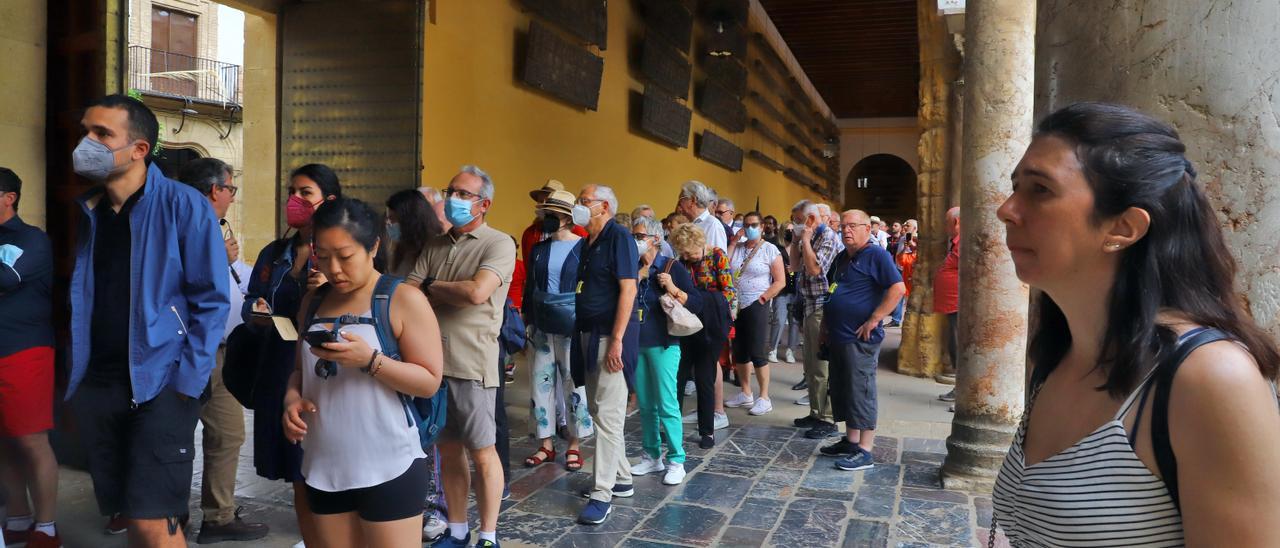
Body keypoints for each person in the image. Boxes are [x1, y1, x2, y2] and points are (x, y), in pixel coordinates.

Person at [990, 102, 1280, 546]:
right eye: (1015, 187)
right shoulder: (1057, 355)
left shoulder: (1210, 380)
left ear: (1123, 228)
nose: (1006, 210)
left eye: (1040, 190)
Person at [67, 94, 230, 548]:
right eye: (86, 131)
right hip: (100, 384)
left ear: (138, 149)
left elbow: (213, 300)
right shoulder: (91, 211)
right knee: (129, 519)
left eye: (102, 134)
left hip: (161, 383)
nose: (87, 142)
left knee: (155, 525)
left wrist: (187, 382)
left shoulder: (184, 205)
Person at [282, 197, 444, 547]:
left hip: (390, 464)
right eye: (323, 257)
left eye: (345, 256)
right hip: (325, 463)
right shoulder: (313, 301)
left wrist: (370, 361)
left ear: (373, 246)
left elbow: (429, 381)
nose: (334, 269)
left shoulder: (401, 299)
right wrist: (292, 397)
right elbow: (299, 370)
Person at [406, 165, 514, 548]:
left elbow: (476, 293)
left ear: (484, 204)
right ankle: (456, 529)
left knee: (483, 453)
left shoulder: (498, 243)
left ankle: (488, 535)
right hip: (432, 364)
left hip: (473, 364)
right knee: (448, 452)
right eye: (452, 191)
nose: (454, 199)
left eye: (464, 194)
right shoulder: (435, 245)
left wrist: (433, 287)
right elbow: (409, 292)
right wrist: (441, 289)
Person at [243, 163, 341, 546]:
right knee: (295, 464)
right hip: (279, 364)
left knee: (320, 457)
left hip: (323, 369)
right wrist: (257, 311)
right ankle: (310, 536)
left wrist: (330, 287)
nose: (294, 200)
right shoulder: (276, 252)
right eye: (291, 192)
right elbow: (252, 298)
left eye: (305, 193)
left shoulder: (338, 252)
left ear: (328, 201)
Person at [174, 157, 269, 543]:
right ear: (216, 190)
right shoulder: (181, 223)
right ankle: (169, 515)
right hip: (188, 348)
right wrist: (218, 258)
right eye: (231, 189)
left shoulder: (213, 227)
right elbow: (175, 280)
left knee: (228, 435)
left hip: (222, 352)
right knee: (177, 436)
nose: (232, 197)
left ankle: (218, 517)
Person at [382, 188, 449, 541]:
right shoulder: (397, 251)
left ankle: (438, 507)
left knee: (431, 431)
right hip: (397, 349)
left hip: (424, 349)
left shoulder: (431, 250)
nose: (388, 225)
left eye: (393, 219)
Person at [571, 184, 639, 526]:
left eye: (585, 202)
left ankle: (602, 494)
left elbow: (629, 288)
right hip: (587, 333)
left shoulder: (620, 238)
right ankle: (621, 477)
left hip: (609, 339)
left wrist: (617, 340)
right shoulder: (587, 243)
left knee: (609, 417)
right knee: (599, 410)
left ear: (605, 207)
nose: (579, 207)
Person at [818, 210, 905, 471]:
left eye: (853, 226)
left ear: (868, 229)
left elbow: (898, 289)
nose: (846, 230)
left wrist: (875, 318)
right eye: (843, 226)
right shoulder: (843, 257)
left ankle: (865, 450)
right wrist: (825, 326)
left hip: (860, 338)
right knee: (843, 389)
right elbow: (831, 292)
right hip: (838, 335)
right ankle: (851, 440)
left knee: (861, 390)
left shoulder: (876, 254)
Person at [0, 168, 60, 548]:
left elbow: (6, 279)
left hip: (24, 350)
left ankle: (47, 526)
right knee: (3, 440)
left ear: (9, 197)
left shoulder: (32, 239)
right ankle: (19, 518)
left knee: (30, 439)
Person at [521, 190, 593, 472]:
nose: (546, 218)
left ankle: (574, 444)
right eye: (545, 213)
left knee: (573, 383)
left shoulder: (584, 247)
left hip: (572, 324)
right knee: (540, 383)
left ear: (566, 218)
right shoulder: (539, 248)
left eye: (552, 214)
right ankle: (545, 444)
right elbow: (530, 286)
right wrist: (527, 318)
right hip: (541, 322)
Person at [628, 217, 699, 486]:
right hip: (638, 342)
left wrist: (672, 287)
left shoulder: (672, 267)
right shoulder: (633, 267)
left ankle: (677, 459)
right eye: (634, 235)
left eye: (640, 236)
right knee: (645, 405)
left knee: (667, 404)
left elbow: (697, 302)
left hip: (665, 344)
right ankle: (651, 455)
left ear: (655, 239)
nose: (635, 240)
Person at [670, 224, 735, 449]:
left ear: (700, 242)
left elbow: (729, 293)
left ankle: (707, 431)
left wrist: (696, 298)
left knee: (705, 378)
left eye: (691, 251)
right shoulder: (681, 262)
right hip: (686, 324)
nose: (689, 257)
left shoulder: (717, 256)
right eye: (684, 253)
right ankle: (672, 425)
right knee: (679, 376)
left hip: (712, 325)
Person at [724, 212, 785, 416]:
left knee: (758, 350)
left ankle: (764, 397)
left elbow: (780, 281)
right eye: (746, 224)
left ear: (761, 227)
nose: (749, 228)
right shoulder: (739, 248)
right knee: (739, 350)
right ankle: (745, 392)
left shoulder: (769, 249)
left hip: (757, 303)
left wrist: (763, 298)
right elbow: (724, 264)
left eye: (754, 224)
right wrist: (733, 241)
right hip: (736, 305)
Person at [791, 202, 841, 438]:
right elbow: (793, 266)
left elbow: (814, 270)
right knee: (810, 365)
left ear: (811, 218)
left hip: (822, 306)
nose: (797, 224)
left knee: (822, 367)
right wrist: (795, 241)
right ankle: (815, 411)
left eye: (799, 219)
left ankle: (827, 418)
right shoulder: (808, 238)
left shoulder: (828, 238)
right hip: (808, 305)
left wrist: (807, 240)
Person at [521, 180, 588, 265]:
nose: (544, 204)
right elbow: (529, 267)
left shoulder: (580, 233)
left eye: (548, 201)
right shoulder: (530, 233)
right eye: (541, 201)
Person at [933, 212, 960, 404]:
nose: (945, 226)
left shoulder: (964, 241)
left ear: (957, 222)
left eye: (947, 222)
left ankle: (963, 392)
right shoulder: (957, 242)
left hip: (958, 305)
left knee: (958, 345)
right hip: (953, 305)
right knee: (954, 344)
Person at [386, 189, 444, 278]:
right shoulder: (401, 250)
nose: (388, 223)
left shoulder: (436, 250)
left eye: (393, 219)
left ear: (409, 220)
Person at [675, 181, 727, 254]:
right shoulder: (689, 223)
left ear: (693, 200)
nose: (679, 205)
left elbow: (719, 260)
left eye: (681, 199)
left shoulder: (713, 225)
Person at [888, 219, 917, 328]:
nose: (905, 228)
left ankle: (912, 321)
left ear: (915, 228)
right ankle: (896, 319)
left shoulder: (919, 240)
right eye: (904, 226)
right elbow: (899, 256)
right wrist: (905, 247)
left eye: (907, 226)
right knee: (899, 293)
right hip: (901, 267)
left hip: (912, 270)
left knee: (911, 296)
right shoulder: (903, 239)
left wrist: (913, 245)